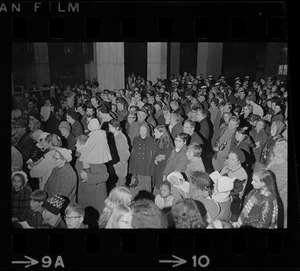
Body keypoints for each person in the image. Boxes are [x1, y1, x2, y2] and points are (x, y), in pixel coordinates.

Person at [75, 134, 109, 217]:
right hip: (84, 194)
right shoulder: (79, 157)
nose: (75, 145)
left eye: (77, 143)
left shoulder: (96, 157)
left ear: (84, 145)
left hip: (94, 196)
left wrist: (88, 177)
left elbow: (105, 175)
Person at [128, 123, 154, 198]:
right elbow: (133, 154)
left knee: (146, 186)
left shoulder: (151, 140)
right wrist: (132, 168)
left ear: (147, 131)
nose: (142, 132)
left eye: (144, 130)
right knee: (134, 185)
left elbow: (151, 156)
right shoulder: (136, 139)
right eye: (141, 130)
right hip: (137, 167)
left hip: (146, 167)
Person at [266, 139, 287, 228]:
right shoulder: (276, 161)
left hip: (280, 201)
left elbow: (274, 188)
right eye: (273, 154)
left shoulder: (284, 169)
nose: (273, 158)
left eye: (277, 156)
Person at [150, 125, 174, 194]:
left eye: (156, 132)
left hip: (162, 171)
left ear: (161, 133)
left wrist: (157, 160)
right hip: (157, 170)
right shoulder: (159, 142)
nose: (154, 134)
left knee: (159, 190)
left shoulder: (167, 145)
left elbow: (168, 159)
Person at [108, 119, 130, 187]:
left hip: (120, 167)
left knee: (120, 186)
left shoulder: (121, 138)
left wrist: (119, 164)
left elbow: (126, 154)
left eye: (111, 127)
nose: (109, 128)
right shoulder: (113, 136)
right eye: (109, 126)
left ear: (117, 128)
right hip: (115, 166)